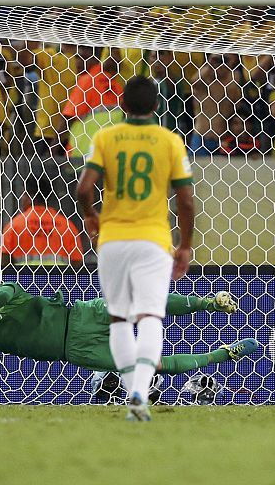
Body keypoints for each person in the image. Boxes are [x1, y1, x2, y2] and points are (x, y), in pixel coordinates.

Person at [0, 283, 258, 391]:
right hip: (76, 349)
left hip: (81, 315)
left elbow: (2, 293)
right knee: (149, 367)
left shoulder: (7, 298)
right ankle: (226, 353)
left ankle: (208, 302)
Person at [76, 75, 195, 421]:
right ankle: (141, 392)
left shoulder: (106, 137)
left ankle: (131, 393)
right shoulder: (170, 141)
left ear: (122, 104)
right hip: (153, 241)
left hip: (113, 240)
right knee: (150, 316)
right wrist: (185, 246)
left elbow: (84, 188)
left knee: (119, 318)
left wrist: (91, 215)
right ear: (156, 106)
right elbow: (186, 201)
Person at [0, 176, 83, 266]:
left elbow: (5, 262)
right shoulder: (67, 226)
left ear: (30, 196)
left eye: (23, 194)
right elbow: (77, 261)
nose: (21, 198)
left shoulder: (15, 225)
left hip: (24, 275)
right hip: (59, 275)